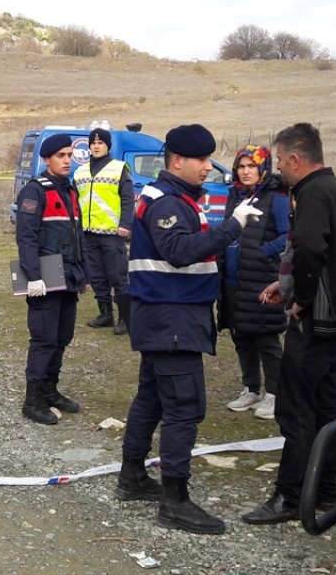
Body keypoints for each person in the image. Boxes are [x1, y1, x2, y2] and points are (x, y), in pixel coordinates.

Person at [116, 124, 263, 535]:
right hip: (171, 316)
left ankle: (131, 476)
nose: (207, 167)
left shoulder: (181, 197)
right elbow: (179, 252)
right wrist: (232, 227)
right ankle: (175, 501)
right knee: (184, 407)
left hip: (169, 314)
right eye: (201, 160)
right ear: (177, 160)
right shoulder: (166, 201)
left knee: (152, 397)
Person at [243, 122, 336, 525]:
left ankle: (291, 496)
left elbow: (311, 248)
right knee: (326, 409)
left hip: (319, 323)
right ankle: (326, 488)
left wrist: (303, 299)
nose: (279, 166)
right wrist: (290, 286)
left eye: (280, 160)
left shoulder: (314, 193)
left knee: (295, 409)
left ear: (296, 159)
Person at [15, 133, 88, 425]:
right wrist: (33, 277)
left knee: (62, 337)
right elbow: (26, 237)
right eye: (61, 156)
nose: (67, 160)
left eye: (70, 155)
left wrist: (84, 275)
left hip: (68, 275)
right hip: (44, 275)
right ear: (47, 159)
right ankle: (32, 400)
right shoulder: (35, 191)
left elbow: (77, 237)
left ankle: (50, 390)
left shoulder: (70, 191)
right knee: (44, 339)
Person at [219, 145, 290, 420]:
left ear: (263, 168)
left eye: (251, 166)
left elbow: (287, 235)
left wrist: (262, 252)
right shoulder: (234, 195)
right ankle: (251, 388)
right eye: (241, 166)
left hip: (262, 278)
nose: (246, 171)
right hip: (234, 279)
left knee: (266, 339)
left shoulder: (276, 197)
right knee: (241, 337)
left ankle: (275, 393)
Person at [74, 127, 134, 336]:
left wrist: (126, 224)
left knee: (118, 277)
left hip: (112, 233)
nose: (96, 146)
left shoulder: (118, 169)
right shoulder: (79, 171)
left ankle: (125, 318)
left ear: (108, 145)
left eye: (100, 143)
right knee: (97, 276)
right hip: (88, 233)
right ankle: (105, 315)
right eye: (93, 143)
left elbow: (128, 199)